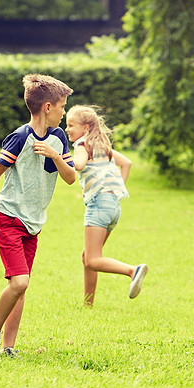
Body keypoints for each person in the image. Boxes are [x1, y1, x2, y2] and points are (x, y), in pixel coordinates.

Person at [0, 74, 77, 358]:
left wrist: (55, 156)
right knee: (20, 282)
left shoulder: (58, 137)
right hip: (7, 216)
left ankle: (8, 348)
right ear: (47, 107)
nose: (64, 112)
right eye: (62, 106)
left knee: (19, 287)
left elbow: (70, 178)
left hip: (33, 223)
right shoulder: (20, 137)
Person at [64, 105, 146, 306]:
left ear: (84, 127)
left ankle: (132, 270)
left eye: (70, 125)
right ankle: (88, 304)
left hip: (98, 206)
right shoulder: (102, 145)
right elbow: (126, 163)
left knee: (92, 260)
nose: (67, 129)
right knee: (88, 256)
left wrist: (62, 158)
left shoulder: (83, 145)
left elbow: (80, 165)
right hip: (112, 207)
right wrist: (115, 192)